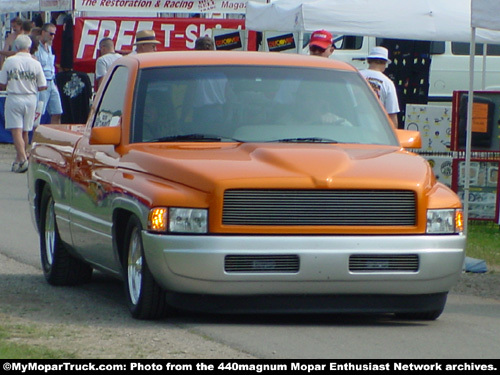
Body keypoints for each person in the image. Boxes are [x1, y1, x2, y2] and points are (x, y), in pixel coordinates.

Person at [0, 35, 47, 173]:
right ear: (29, 47)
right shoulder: (35, 63)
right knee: (25, 130)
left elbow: (2, 83)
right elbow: (43, 86)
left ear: (16, 46)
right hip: (31, 98)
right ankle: (20, 158)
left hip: (15, 96)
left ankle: (23, 158)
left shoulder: (10, 61)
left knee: (16, 130)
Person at [359, 46, 400, 127]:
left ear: (368, 61)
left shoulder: (356, 75)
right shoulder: (388, 83)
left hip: (354, 126)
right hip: (377, 130)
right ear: (385, 63)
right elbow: (392, 114)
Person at [35, 23, 63, 124]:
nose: (53, 37)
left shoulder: (50, 47)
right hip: (42, 83)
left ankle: (54, 135)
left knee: (57, 111)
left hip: (51, 81)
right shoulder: (36, 48)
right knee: (39, 112)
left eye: (54, 34)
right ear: (43, 32)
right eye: (51, 34)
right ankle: (35, 135)